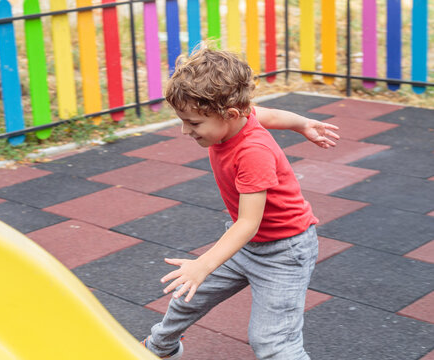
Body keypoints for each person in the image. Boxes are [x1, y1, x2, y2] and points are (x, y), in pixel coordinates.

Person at [141, 46, 339, 360]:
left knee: (272, 343)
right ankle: (160, 349)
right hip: (246, 245)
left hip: (283, 252)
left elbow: (249, 222)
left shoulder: (253, 152)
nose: (184, 130)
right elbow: (271, 114)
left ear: (231, 114)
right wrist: (302, 123)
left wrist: (202, 265)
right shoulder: (240, 115)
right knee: (186, 298)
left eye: (193, 123)